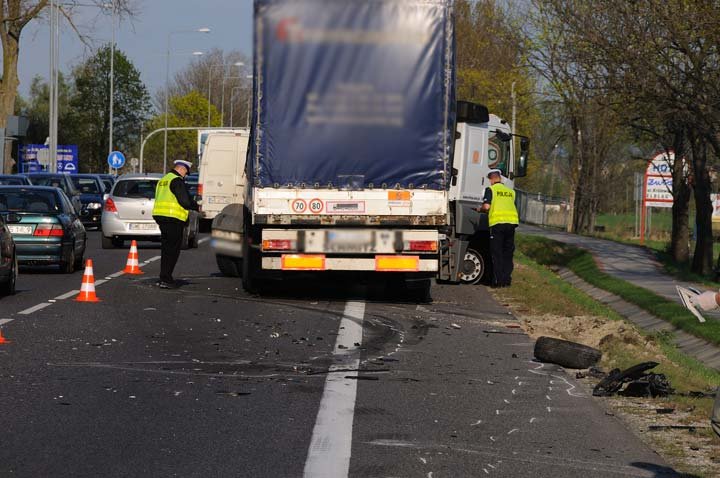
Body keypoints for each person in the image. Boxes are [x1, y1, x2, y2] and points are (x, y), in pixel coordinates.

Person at [152, 159, 199, 289]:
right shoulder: (177, 181)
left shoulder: (164, 179)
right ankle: (166, 279)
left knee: (166, 249)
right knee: (172, 250)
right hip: (173, 218)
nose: (186, 175)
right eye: (186, 172)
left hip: (161, 217)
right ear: (182, 169)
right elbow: (184, 201)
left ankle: (163, 277)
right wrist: (196, 206)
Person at [475, 169, 519, 287]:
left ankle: (498, 282)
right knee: (508, 254)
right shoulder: (511, 192)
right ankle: (506, 280)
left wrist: (480, 209)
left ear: (492, 179)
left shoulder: (491, 190)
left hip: (498, 224)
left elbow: (487, 206)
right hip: (511, 224)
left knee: (497, 253)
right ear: (500, 178)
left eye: (490, 180)